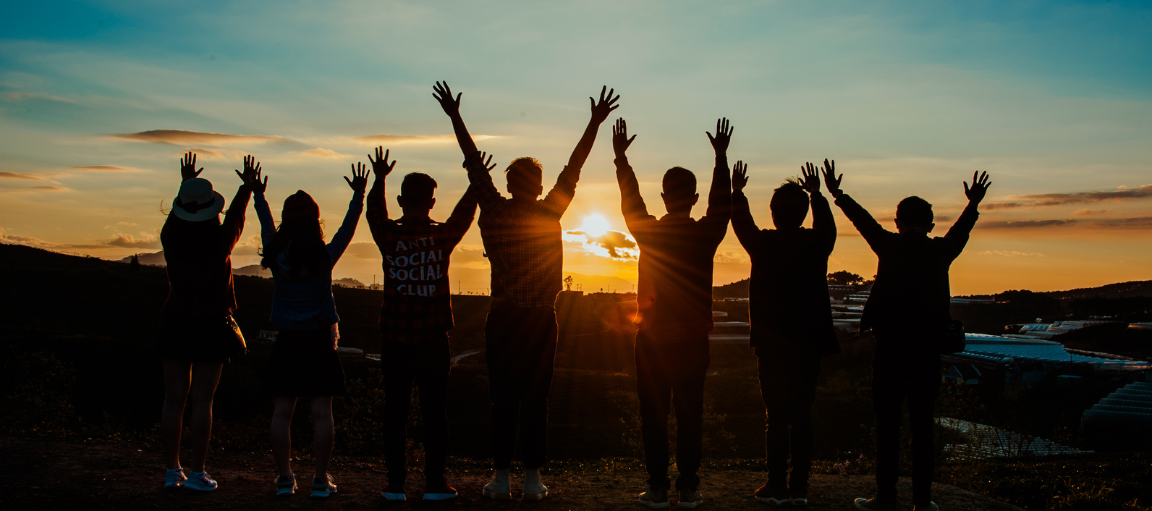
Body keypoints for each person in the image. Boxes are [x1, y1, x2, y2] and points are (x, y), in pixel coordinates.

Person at [433, 81, 620, 500]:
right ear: (537, 185)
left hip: (503, 318)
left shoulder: (495, 210)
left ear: (510, 182)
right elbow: (575, 166)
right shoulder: (549, 210)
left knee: (502, 399)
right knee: (536, 399)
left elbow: (472, 162)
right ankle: (533, 478)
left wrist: (455, 116)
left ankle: (500, 478)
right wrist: (593, 122)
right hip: (539, 321)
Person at [827, 161, 991, 511]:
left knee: (887, 425)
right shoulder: (940, 251)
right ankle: (921, 501)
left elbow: (863, 221)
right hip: (927, 351)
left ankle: (885, 497)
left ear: (897, 222)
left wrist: (838, 194)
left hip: (889, 349)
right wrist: (972, 204)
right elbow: (961, 230)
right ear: (931, 225)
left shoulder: (889, 245)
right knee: (923, 427)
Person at [613, 117, 733, 510]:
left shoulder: (649, 232)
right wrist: (720, 158)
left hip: (650, 339)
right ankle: (689, 489)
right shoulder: (705, 234)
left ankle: (658, 488)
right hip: (693, 340)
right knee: (690, 415)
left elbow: (631, 203)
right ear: (693, 197)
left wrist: (621, 161)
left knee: (654, 416)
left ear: (663, 197)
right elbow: (722, 206)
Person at [246, 162, 369, 498]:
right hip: (318, 341)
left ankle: (285, 479)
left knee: (282, 412)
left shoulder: (275, 254)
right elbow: (347, 229)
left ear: (288, 219)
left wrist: (258, 194)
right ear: (315, 221)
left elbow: (266, 225)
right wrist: (358, 195)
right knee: (321, 413)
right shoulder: (324, 256)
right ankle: (319, 479)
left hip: (287, 341)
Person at [364, 146, 477, 502]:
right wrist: (475, 182)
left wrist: (379, 178)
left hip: (395, 339)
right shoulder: (442, 237)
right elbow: (464, 216)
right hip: (432, 340)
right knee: (434, 413)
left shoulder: (387, 235)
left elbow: (374, 211)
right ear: (430, 203)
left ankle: (395, 484)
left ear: (401, 200)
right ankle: (434, 483)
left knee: (395, 412)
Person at [731, 161, 840, 507]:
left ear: (774, 214)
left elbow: (741, 223)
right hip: (808, 343)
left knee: (775, 416)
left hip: (771, 344)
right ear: (804, 213)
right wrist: (818, 195)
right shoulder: (817, 243)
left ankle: (776, 485)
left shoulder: (763, 245)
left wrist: (737, 192)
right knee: (802, 414)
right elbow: (827, 226)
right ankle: (800, 488)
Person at [157, 152, 255, 491]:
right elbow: (237, 219)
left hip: (175, 321)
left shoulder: (170, 237)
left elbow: (179, 216)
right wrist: (247, 187)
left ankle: (172, 472)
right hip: (211, 324)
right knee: (202, 401)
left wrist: (186, 184)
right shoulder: (219, 241)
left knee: (173, 400)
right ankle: (198, 472)